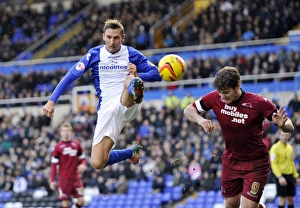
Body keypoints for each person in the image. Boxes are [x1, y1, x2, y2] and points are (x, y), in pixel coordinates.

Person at [43, 19, 162, 170]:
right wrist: (52, 100)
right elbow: (71, 75)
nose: (112, 41)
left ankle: (135, 87)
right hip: (107, 108)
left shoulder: (131, 54)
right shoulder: (95, 54)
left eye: (116, 38)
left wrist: (139, 75)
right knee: (98, 162)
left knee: (129, 79)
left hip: (129, 100)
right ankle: (131, 152)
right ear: (103, 36)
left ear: (123, 38)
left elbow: (157, 73)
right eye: (109, 37)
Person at [183, 66, 294, 208]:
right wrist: (200, 120)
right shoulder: (215, 97)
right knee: (230, 205)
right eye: (220, 92)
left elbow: (289, 126)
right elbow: (188, 110)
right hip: (231, 162)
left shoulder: (258, 103)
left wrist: (283, 125)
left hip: (255, 164)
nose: (222, 97)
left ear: (237, 86)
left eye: (226, 92)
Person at [50, 122, 86, 208]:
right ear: (60, 132)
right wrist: (52, 180)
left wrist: (83, 165)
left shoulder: (77, 144)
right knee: (65, 203)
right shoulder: (57, 147)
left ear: (71, 132)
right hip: (63, 180)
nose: (65, 132)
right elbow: (54, 165)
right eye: (63, 131)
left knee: (81, 201)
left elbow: (83, 158)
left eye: (67, 130)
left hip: (76, 178)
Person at [270, 131, 300, 208]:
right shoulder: (274, 148)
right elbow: (273, 164)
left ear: (289, 136)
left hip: (290, 176)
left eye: (286, 135)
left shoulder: (290, 148)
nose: (284, 137)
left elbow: (291, 163)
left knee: (291, 199)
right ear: (279, 136)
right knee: (282, 199)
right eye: (283, 135)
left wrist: (296, 176)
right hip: (281, 176)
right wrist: (279, 177)